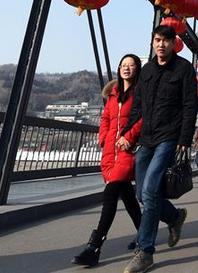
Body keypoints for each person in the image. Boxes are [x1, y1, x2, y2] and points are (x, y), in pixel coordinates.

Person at [118, 25, 198, 273]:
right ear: (152, 42)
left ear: (174, 43)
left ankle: (145, 251)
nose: (161, 44)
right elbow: (138, 105)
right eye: (157, 40)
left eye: (165, 40)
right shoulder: (148, 70)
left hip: (169, 137)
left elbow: (189, 104)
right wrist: (128, 134)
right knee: (143, 194)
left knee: (151, 190)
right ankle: (174, 217)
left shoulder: (184, 68)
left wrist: (184, 138)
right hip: (146, 138)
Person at [72, 54, 143, 266]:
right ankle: (144, 232)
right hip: (110, 151)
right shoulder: (113, 94)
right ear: (119, 68)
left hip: (128, 149)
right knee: (127, 195)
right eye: (124, 65)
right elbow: (105, 119)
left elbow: (143, 118)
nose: (127, 68)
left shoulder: (140, 93)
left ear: (138, 69)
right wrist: (103, 138)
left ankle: (94, 247)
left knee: (111, 193)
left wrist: (128, 138)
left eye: (131, 65)